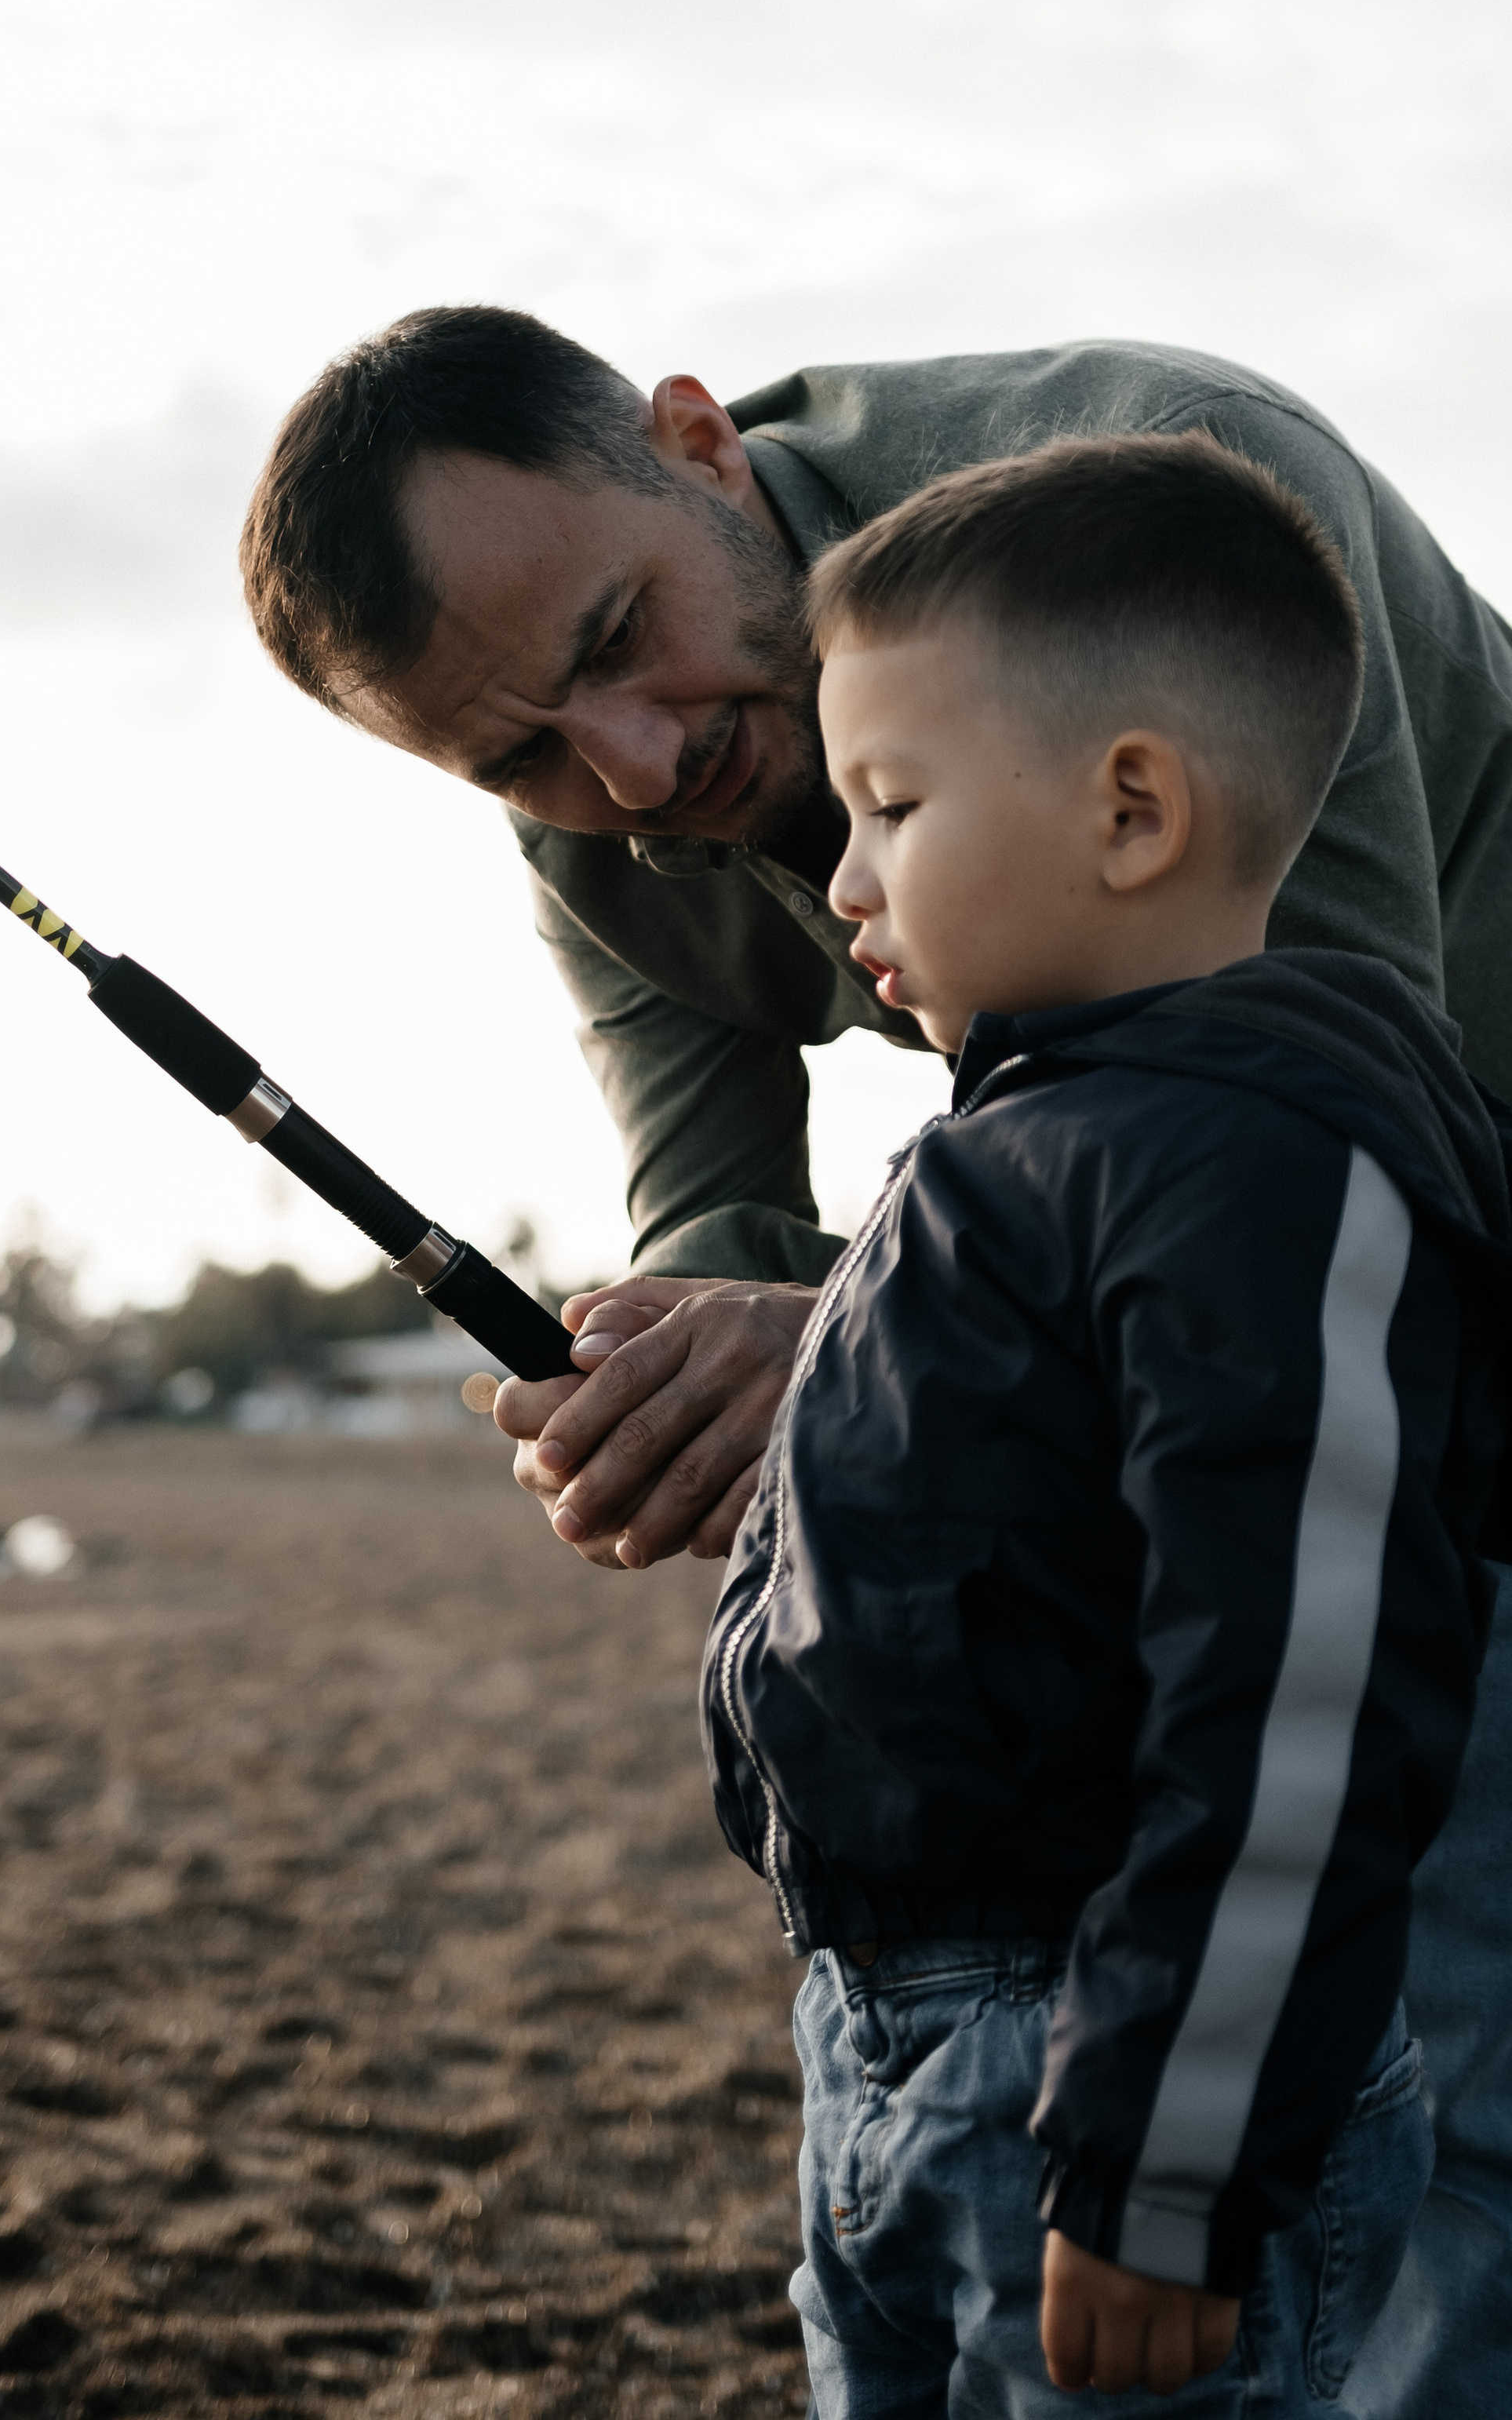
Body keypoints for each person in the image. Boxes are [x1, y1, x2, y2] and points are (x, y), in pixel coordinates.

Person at [239, 304, 1512, 2410]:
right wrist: (659, 1381)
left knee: (1427, 2036)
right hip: (1194, 1309)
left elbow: (1281, 1137)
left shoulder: (1176, 503)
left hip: (1414, 1267)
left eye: (624, 634)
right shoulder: (597, 815)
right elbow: (721, 1238)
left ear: (693, 443)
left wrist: (836, 1326)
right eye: (521, 757)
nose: (631, 772)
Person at [701, 432, 1510, 2411]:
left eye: (886, 802)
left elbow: (1297, 1701)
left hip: (1099, 2069)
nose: (837, 877)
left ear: (1129, 804)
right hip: (885, 2030)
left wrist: (1169, 2166)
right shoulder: (1005, 1142)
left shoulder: (1255, 1165)